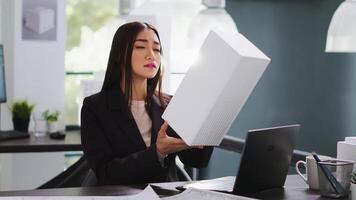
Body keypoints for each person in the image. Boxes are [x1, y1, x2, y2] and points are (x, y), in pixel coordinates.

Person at [81, 21, 213, 185]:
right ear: (119, 54)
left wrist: (210, 122)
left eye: (157, 49)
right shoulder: (95, 107)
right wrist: (157, 152)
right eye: (140, 47)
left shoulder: (170, 104)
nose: (152, 55)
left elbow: (196, 160)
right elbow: (106, 172)